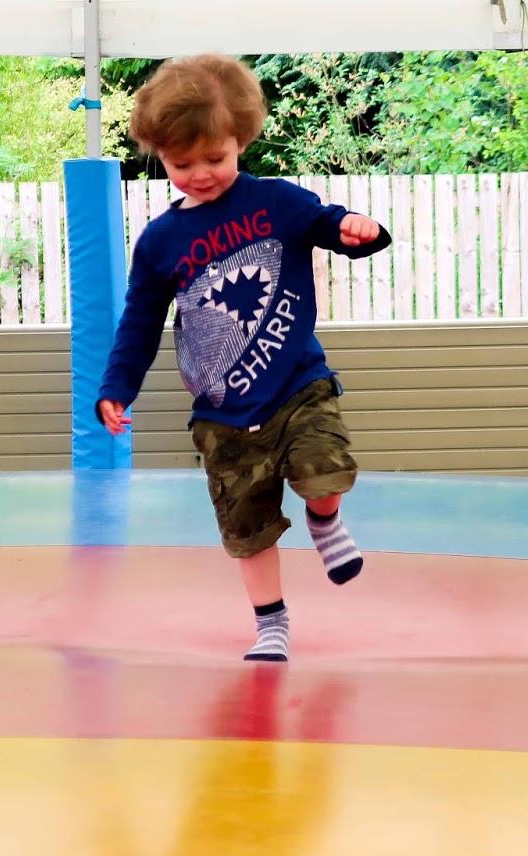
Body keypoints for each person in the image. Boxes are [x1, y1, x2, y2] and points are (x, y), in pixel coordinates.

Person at [94, 54, 391, 663]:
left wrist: (359, 229)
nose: (200, 174)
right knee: (246, 526)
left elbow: (328, 224)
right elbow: (140, 323)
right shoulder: (159, 242)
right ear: (158, 154)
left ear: (241, 140)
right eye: (182, 164)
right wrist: (116, 387)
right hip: (223, 414)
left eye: (215, 158)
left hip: (298, 387)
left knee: (325, 474)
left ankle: (325, 520)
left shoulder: (277, 202)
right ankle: (271, 623)